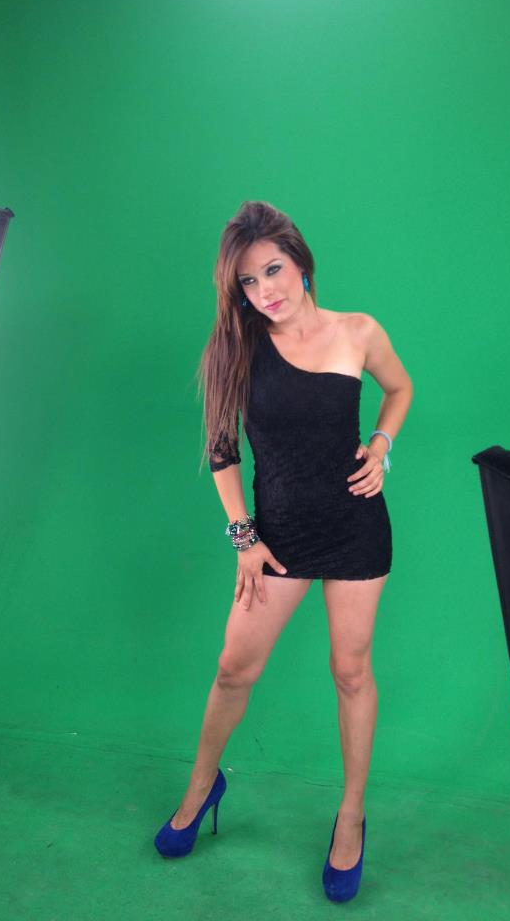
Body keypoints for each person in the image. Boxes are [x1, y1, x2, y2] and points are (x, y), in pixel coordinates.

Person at [154, 200, 413, 903]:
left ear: (301, 262)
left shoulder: (359, 331)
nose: (264, 290)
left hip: (357, 526)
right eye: (248, 281)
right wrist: (245, 537)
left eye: (272, 270)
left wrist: (381, 445)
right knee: (233, 667)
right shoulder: (234, 348)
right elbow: (222, 452)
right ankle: (203, 786)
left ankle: (351, 815)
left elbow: (399, 388)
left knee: (351, 671)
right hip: (278, 537)